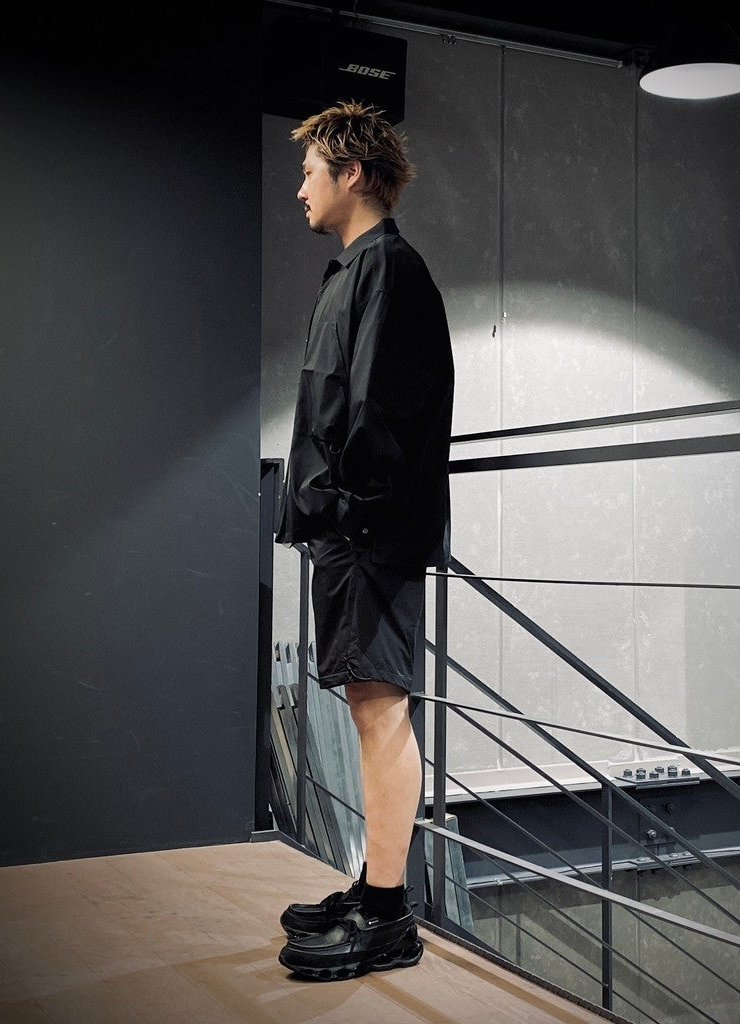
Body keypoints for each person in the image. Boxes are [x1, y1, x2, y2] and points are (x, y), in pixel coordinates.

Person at [272, 99, 454, 982]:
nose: (299, 187)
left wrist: (344, 507)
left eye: (310, 170)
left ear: (351, 173)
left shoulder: (389, 270)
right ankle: (374, 889)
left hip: (370, 532)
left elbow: (382, 405)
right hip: (356, 529)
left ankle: (388, 916)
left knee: (381, 711)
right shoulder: (357, 270)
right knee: (369, 705)